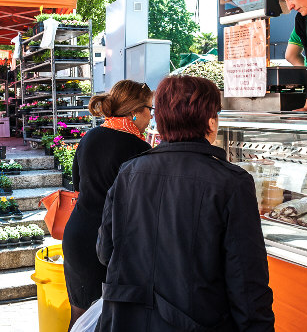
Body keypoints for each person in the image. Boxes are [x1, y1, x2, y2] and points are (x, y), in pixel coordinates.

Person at [97, 75, 275, 332]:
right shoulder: (231, 182)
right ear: (211, 121)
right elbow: (247, 283)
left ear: (160, 121)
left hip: (126, 320)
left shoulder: (128, 172)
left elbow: (105, 252)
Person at [61, 79, 154, 324]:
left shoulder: (90, 136)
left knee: (81, 318)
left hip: (78, 235)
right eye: (149, 110)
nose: (151, 117)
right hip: (107, 243)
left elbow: (78, 184)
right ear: (135, 112)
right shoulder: (139, 149)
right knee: (106, 320)